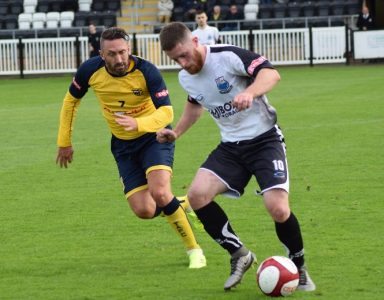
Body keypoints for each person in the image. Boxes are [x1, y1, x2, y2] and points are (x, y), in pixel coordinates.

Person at [158, 22, 316, 291]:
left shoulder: (227, 56)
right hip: (231, 147)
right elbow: (195, 106)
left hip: (265, 140)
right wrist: (177, 133)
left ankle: (298, 267)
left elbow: (271, 74)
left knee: (277, 208)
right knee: (197, 196)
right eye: (176, 60)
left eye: (184, 55)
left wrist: (250, 92)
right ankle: (239, 254)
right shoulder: (185, 77)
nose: (183, 63)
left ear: (195, 41)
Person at [56, 27, 206, 269]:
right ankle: (181, 203)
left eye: (123, 52)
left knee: (159, 192)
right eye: (112, 54)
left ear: (130, 50)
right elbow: (71, 101)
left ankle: (194, 250)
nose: (119, 59)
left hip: (154, 138)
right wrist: (64, 141)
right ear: (101, 54)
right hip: (123, 145)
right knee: (145, 210)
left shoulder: (147, 71)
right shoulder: (89, 70)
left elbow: (166, 111)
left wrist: (139, 123)